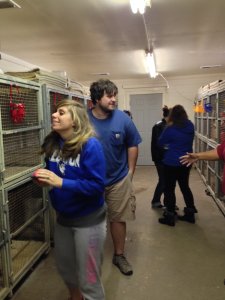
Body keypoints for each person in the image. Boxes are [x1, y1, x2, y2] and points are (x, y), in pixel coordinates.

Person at [33, 100, 106, 300]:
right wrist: (46, 180)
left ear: (75, 121)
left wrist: (61, 183)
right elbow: (55, 177)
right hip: (63, 219)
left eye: (61, 112)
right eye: (55, 112)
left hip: (89, 221)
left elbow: (97, 186)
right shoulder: (54, 144)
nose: (54, 115)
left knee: (89, 278)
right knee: (66, 270)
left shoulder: (91, 145)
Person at [88, 79, 142, 276]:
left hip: (117, 179)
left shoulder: (123, 119)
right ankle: (89, 257)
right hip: (90, 181)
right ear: (95, 99)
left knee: (118, 218)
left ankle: (119, 255)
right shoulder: (83, 120)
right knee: (89, 220)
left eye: (115, 95)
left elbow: (133, 144)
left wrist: (130, 172)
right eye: (109, 96)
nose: (114, 99)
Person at [158, 104, 197, 226]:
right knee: (185, 187)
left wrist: (169, 145)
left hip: (171, 163)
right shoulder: (190, 125)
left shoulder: (170, 129)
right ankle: (190, 214)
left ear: (172, 116)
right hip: (186, 161)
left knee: (169, 189)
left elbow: (160, 142)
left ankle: (170, 216)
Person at [151, 106, 170, 208]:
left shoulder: (169, 125)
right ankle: (155, 201)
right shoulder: (159, 126)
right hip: (160, 158)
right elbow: (159, 144)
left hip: (167, 158)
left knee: (167, 181)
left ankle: (169, 203)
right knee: (163, 181)